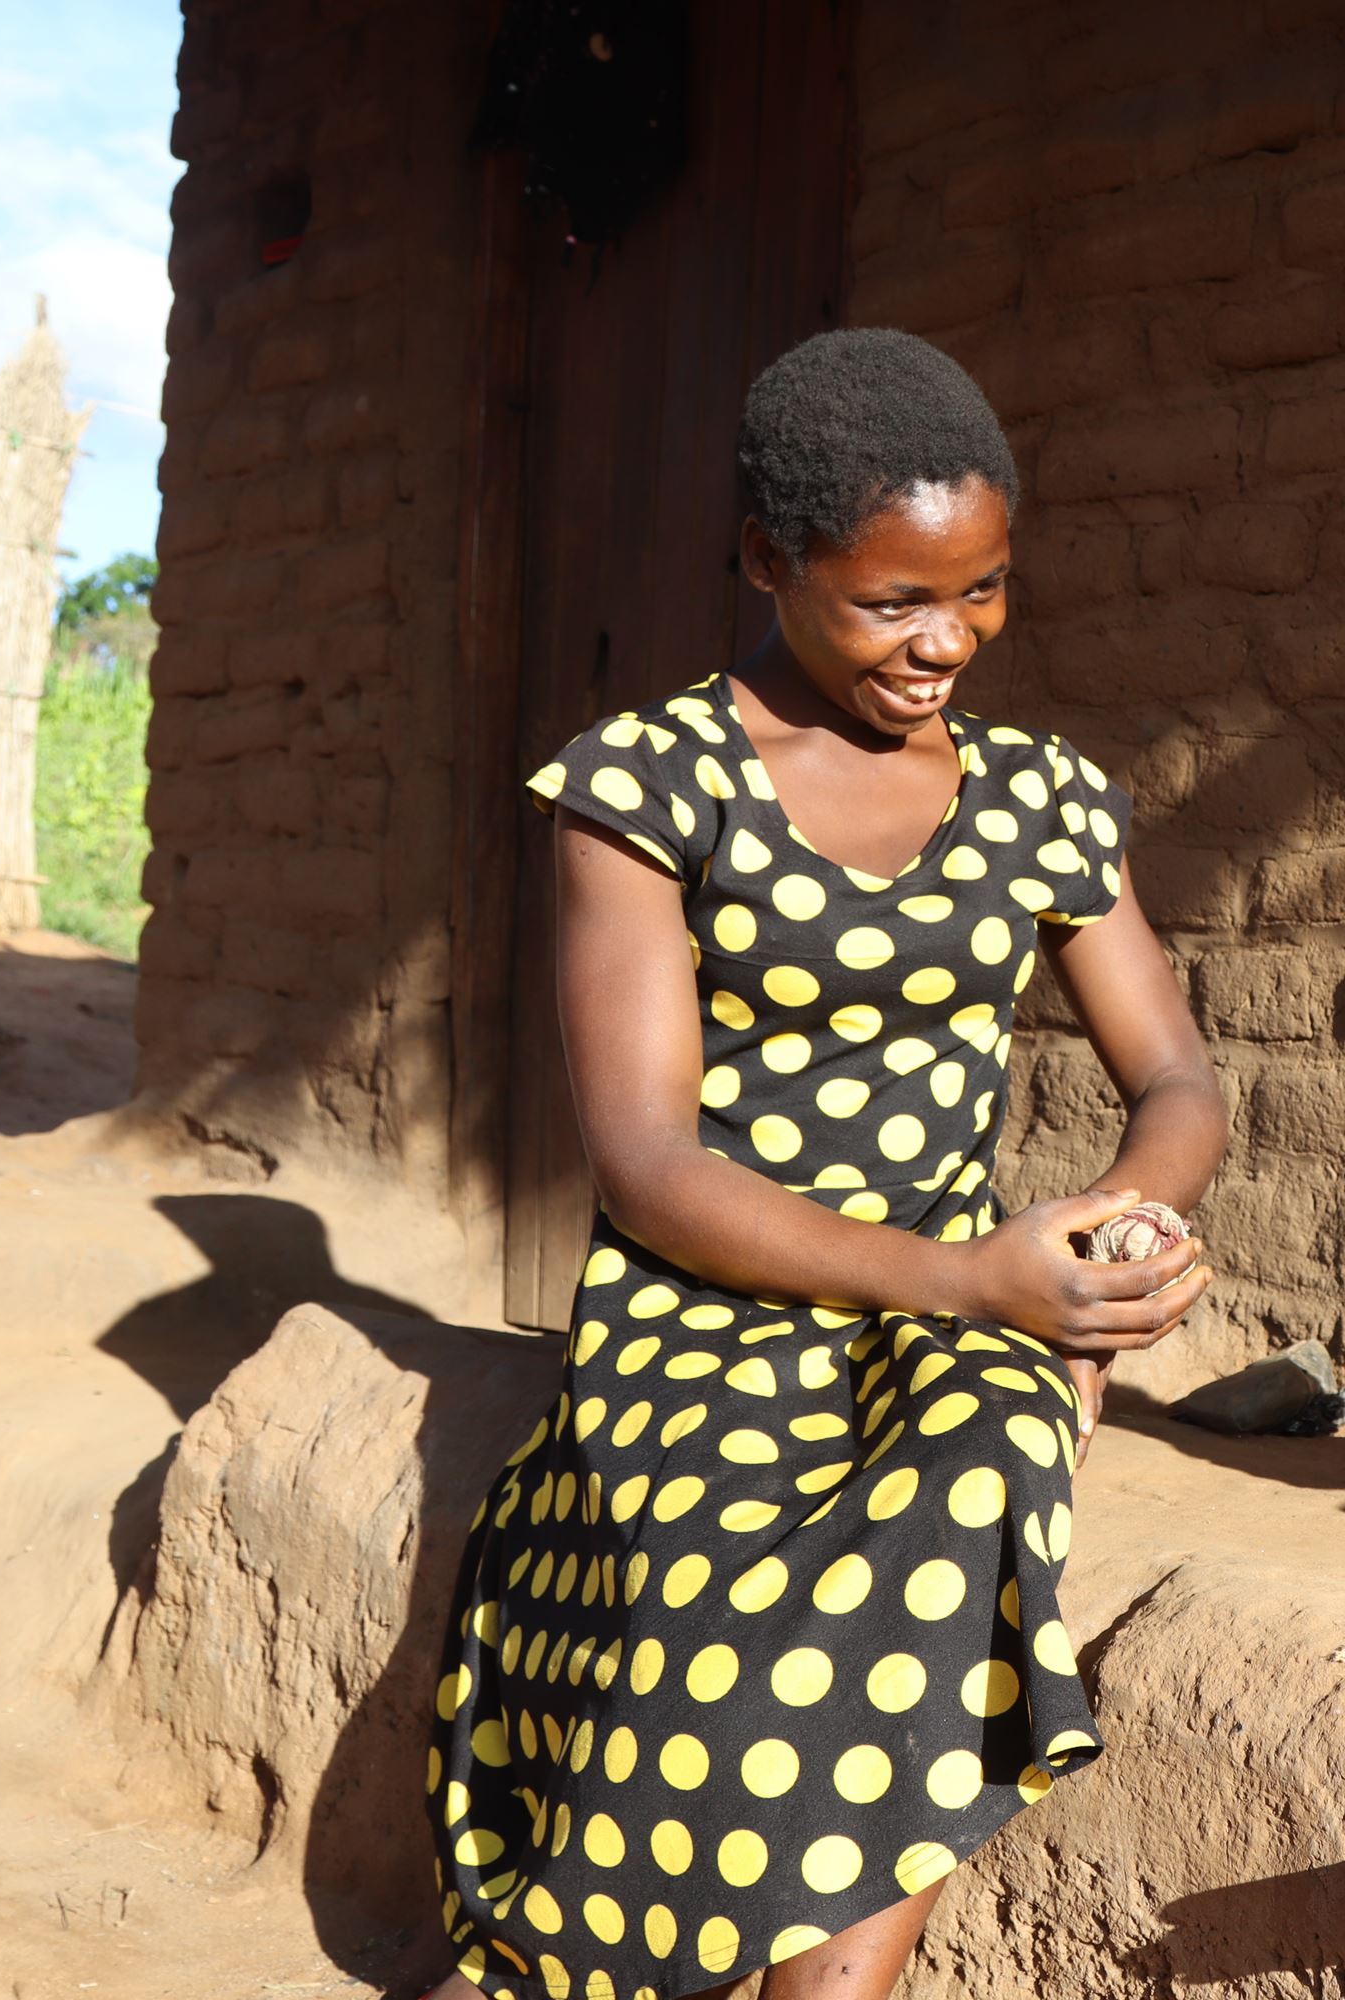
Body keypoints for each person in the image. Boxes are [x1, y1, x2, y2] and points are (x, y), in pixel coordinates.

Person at [421, 329, 1226, 2000]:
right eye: (891, 605)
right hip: (704, 1299)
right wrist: (978, 1275)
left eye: (984, 592)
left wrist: (1122, 1230)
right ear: (766, 560)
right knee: (709, 1568)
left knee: (966, 1477)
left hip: (949, 1306)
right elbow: (645, 1164)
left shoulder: (1038, 799)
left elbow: (1175, 1076)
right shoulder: (650, 788)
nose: (947, 644)